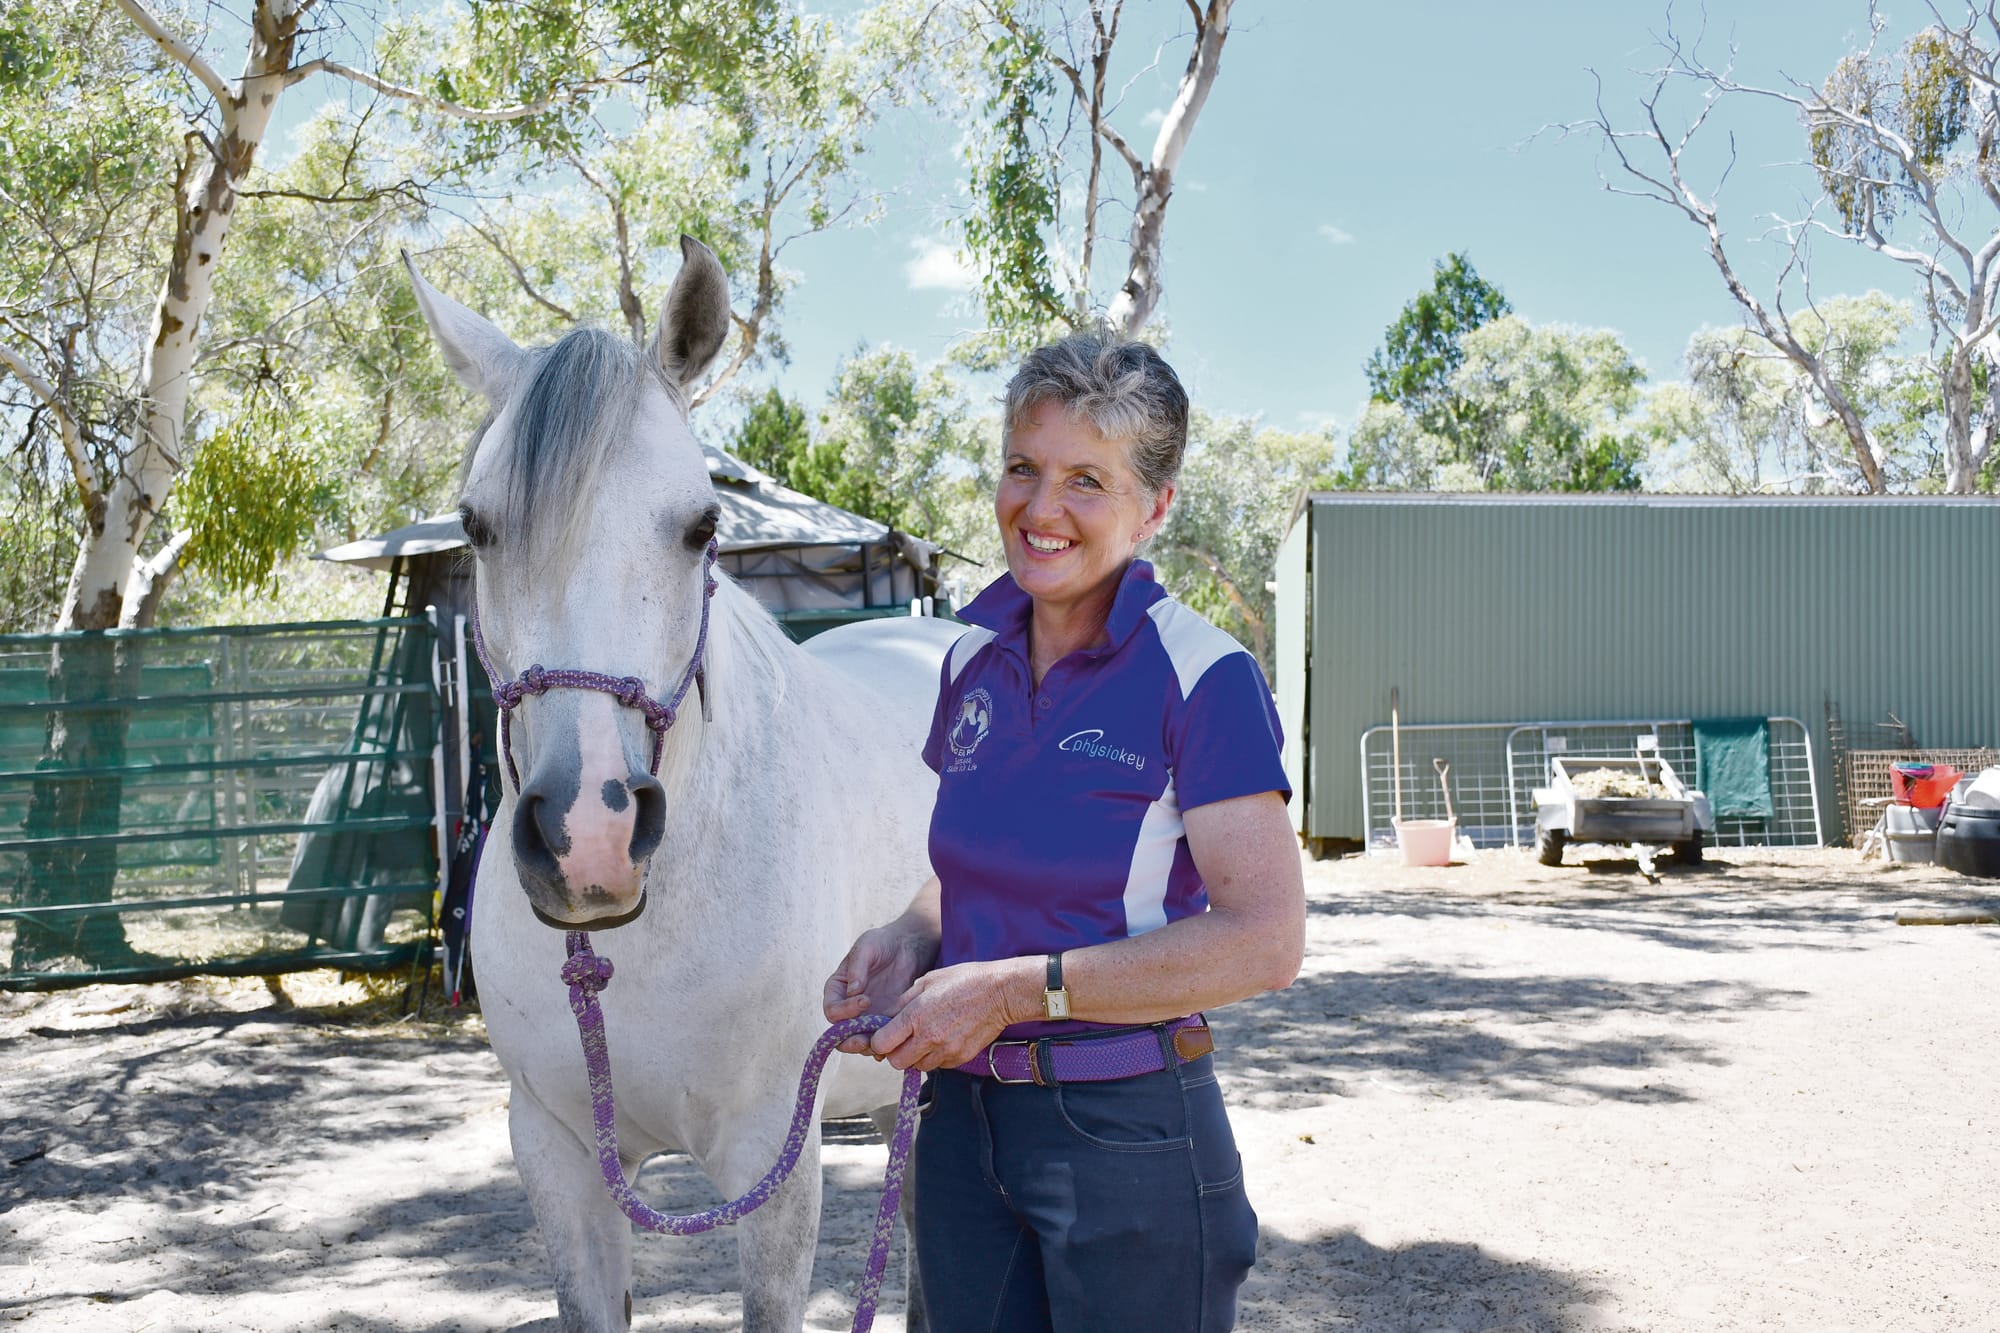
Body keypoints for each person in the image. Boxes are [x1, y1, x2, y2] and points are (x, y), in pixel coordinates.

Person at [823, 331, 1305, 1333]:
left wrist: (1011, 989)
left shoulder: (1200, 676)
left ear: (1155, 505)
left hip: (1124, 1132)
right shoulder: (968, 660)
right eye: (1021, 468)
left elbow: (1264, 939)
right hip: (958, 1129)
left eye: (1086, 479)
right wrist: (909, 939)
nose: (1040, 510)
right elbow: (970, 875)